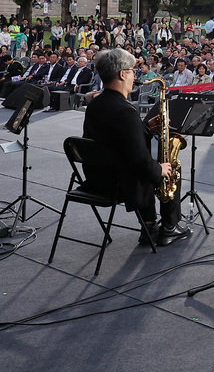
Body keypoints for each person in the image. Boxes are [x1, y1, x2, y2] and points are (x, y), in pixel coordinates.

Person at [81, 48, 190, 246]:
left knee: (140, 165)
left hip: (95, 177)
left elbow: (116, 139)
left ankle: (149, 225)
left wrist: (145, 128)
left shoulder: (96, 104)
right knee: (171, 167)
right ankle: (169, 227)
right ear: (122, 74)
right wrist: (160, 169)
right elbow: (139, 159)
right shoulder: (125, 111)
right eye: (132, 71)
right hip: (118, 183)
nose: (135, 75)